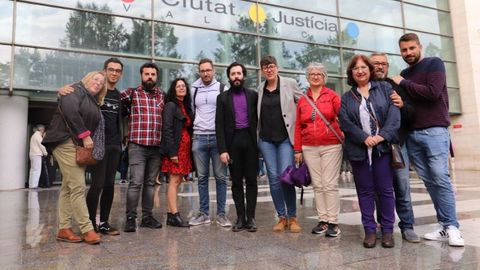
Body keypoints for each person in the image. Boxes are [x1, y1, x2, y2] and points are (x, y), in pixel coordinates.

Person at [391, 33, 464, 247]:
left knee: (440, 177)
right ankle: (443, 225)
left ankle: (453, 227)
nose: (408, 53)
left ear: (419, 47)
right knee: (430, 181)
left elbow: (432, 93)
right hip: (413, 135)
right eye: (404, 50)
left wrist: (402, 82)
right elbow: (407, 105)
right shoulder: (405, 72)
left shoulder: (434, 63)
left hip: (434, 131)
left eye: (412, 48)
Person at [339, 54, 400, 248]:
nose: (360, 71)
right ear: (351, 73)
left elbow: (394, 115)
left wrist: (381, 136)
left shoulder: (384, 88)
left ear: (369, 69)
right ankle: (370, 231)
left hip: (382, 149)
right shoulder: (347, 97)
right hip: (359, 151)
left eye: (363, 67)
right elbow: (345, 122)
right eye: (355, 68)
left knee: (386, 191)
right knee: (364, 192)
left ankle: (388, 231)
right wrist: (364, 138)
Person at [59, 58, 125, 236]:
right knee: (97, 185)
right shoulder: (95, 92)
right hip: (97, 146)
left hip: (114, 145)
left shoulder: (120, 96)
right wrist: (61, 90)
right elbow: (74, 97)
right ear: (105, 71)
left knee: (110, 185)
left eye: (118, 71)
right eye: (111, 70)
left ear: (121, 74)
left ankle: (103, 223)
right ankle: (89, 225)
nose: (114, 73)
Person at [42, 71, 107, 245]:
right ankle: (87, 229)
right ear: (87, 79)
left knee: (68, 187)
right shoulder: (73, 90)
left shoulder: (92, 100)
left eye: (101, 83)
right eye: (95, 79)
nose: (98, 83)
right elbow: (71, 113)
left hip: (75, 145)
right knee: (78, 186)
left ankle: (64, 229)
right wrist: (85, 135)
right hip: (65, 142)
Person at [370, 52, 420, 243]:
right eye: (376, 64)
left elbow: (412, 114)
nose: (380, 67)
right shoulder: (364, 88)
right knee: (379, 190)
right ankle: (384, 225)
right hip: (375, 147)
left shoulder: (397, 85)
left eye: (383, 63)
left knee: (402, 186)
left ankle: (407, 226)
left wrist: (403, 105)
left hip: (397, 146)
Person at [294, 62, 343, 237]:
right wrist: (297, 149)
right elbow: (298, 126)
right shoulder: (302, 100)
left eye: (319, 74)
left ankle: (333, 222)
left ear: (324, 77)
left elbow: (344, 117)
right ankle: (323, 220)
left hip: (331, 145)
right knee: (318, 184)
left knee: (329, 184)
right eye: (312, 74)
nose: (315, 76)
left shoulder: (332, 96)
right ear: (307, 77)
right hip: (309, 147)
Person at [257, 55, 303, 233]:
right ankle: (282, 217)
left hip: (285, 139)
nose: (269, 69)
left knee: (286, 177)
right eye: (265, 67)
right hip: (267, 140)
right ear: (262, 71)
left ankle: (293, 217)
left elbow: (303, 103)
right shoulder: (260, 89)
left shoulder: (289, 84)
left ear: (277, 68)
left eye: (271, 66)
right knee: (274, 179)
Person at [121, 62, 165, 233]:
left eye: (153, 74)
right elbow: (107, 96)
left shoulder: (162, 95)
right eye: (147, 74)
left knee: (150, 183)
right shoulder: (130, 94)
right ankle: (131, 218)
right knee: (136, 182)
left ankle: (147, 217)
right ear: (141, 75)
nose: (150, 77)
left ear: (156, 76)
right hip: (137, 145)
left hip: (156, 147)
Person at [215, 62, 258, 232]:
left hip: (250, 141)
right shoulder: (223, 98)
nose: (236, 77)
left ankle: (251, 217)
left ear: (244, 76)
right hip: (233, 143)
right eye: (233, 74)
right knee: (236, 182)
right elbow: (219, 125)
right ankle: (240, 217)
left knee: (252, 180)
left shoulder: (253, 95)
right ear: (229, 77)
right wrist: (223, 149)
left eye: (239, 73)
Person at [188, 58, 231, 227]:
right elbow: (192, 111)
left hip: (217, 138)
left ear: (213, 71)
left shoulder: (222, 88)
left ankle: (221, 214)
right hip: (199, 137)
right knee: (202, 178)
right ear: (199, 71)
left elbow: (228, 115)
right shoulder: (194, 89)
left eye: (208, 70)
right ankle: (204, 213)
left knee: (221, 177)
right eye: (202, 70)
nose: (205, 73)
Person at [160, 78, 193, 228]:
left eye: (183, 86)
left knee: (178, 181)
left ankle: (170, 215)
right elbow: (167, 129)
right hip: (176, 149)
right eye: (178, 86)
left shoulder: (185, 106)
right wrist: (172, 152)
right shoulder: (170, 105)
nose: (181, 88)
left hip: (184, 149)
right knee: (173, 181)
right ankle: (174, 215)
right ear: (173, 89)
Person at [28, 124, 48, 189]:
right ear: (41, 129)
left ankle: (31, 185)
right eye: (43, 130)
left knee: (33, 170)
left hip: (32, 154)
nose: (43, 131)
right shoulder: (38, 135)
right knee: (37, 170)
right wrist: (45, 153)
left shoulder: (33, 135)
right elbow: (41, 145)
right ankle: (34, 186)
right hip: (37, 154)